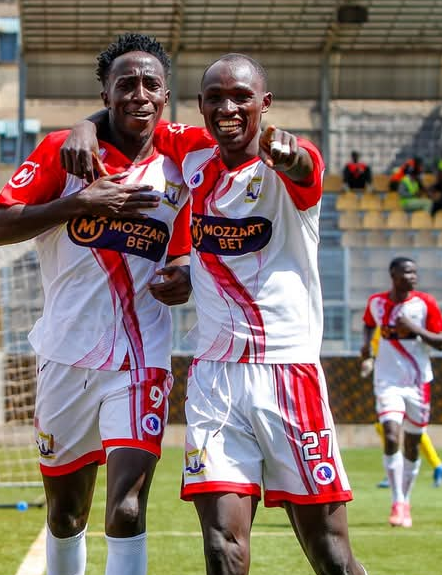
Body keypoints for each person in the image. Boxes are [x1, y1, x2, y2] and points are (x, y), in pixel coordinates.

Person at [62, 52, 368, 575]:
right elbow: (132, 113)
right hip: (213, 381)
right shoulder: (193, 153)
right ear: (200, 106)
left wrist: (291, 155)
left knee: (330, 553)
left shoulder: (286, 165)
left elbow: (305, 165)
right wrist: (84, 128)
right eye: (215, 99)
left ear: (265, 103)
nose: (228, 108)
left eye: (241, 98)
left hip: (287, 374)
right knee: (223, 545)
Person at [0, 33, 193, 575]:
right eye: (126, 84)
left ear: (166, 94)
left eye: (150, 84)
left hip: (141, 360)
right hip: (65, 357)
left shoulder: (182, 162)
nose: (139, 94)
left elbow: (183, 249)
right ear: (106, 93)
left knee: (127, 508)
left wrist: (186, 273)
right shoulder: (66, 151)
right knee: (65, 514)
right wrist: (81, 201)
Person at [361, 256, 442, 527]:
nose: (413, 276)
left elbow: (440, 342)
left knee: (413, 443)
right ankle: (396, 502)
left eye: (415, 272)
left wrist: (415, 329)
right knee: (391, 434)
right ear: (393, 274)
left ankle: (406, 500)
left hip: (418, 383)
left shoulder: (425, 303)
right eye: (407, 272)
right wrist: (366, 347)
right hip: (387, 381)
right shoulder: (376, 302)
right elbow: (368, 323)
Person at [361, 326, 442, 489]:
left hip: (405, 382)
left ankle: (432, 466)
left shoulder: (395, 323)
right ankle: (401, 468)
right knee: (384, 426)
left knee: (411, 429)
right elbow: (378, 348)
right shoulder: (381, 324)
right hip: (388, 381)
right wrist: (370, 359)